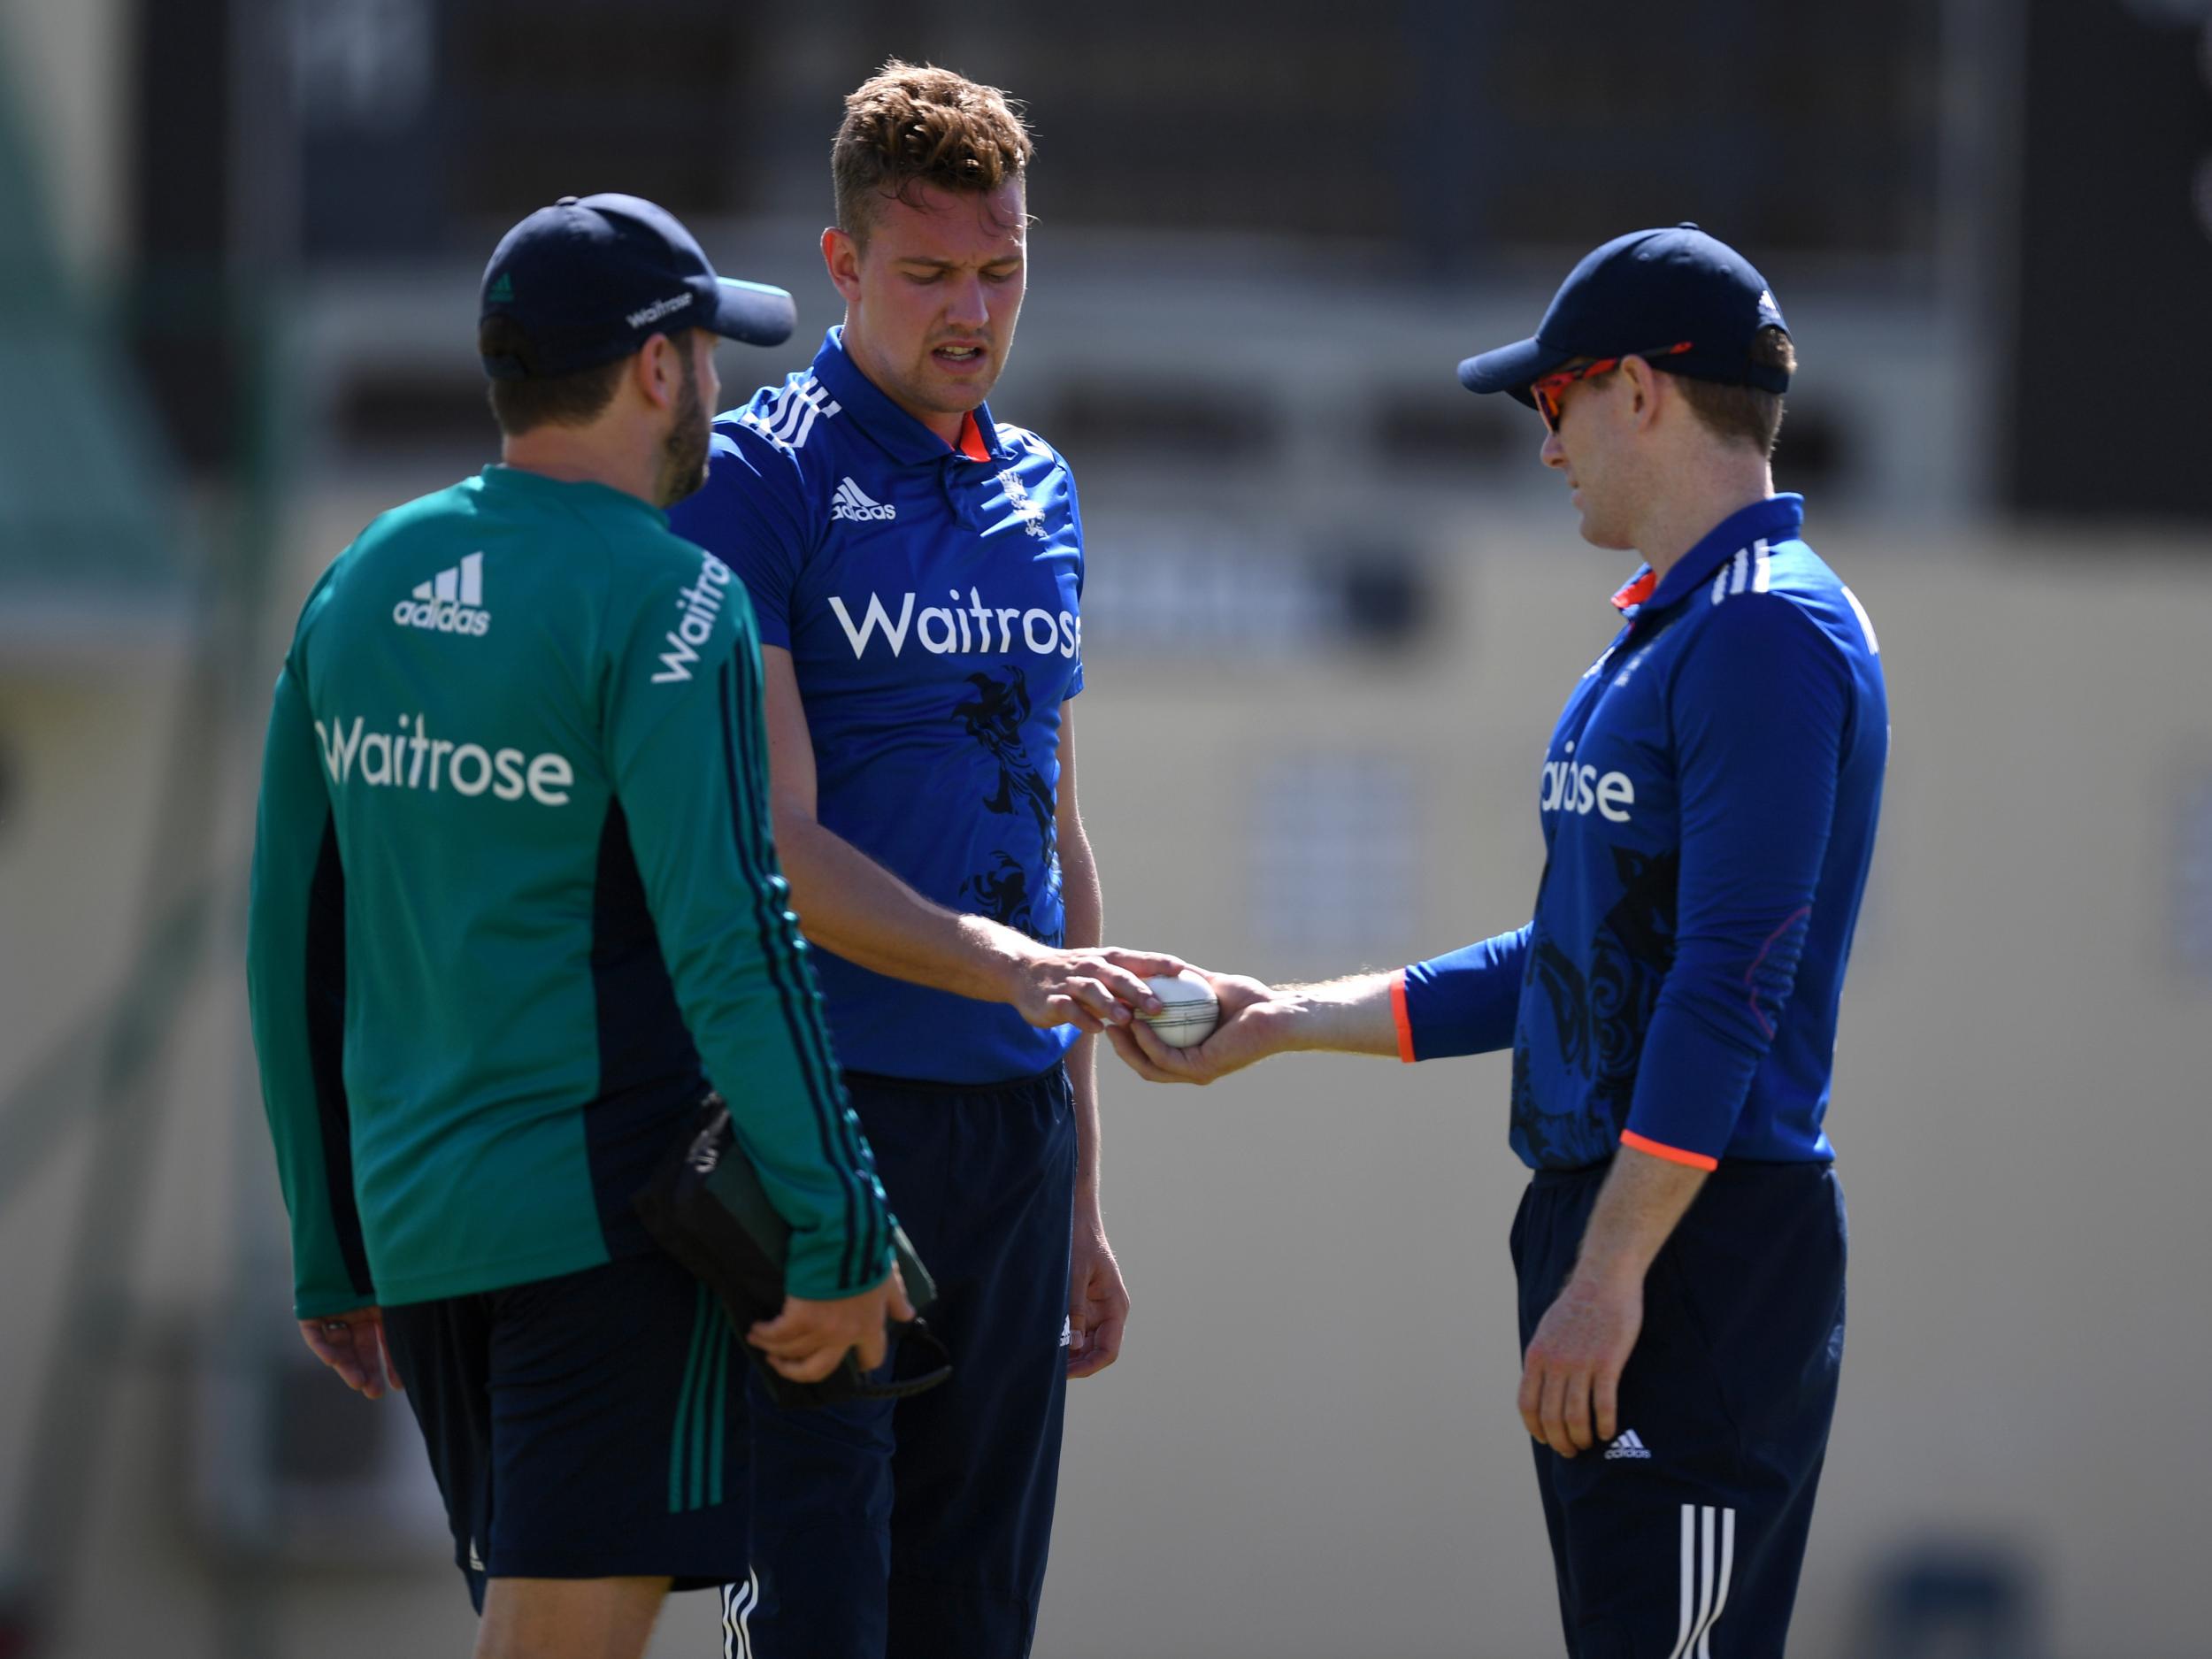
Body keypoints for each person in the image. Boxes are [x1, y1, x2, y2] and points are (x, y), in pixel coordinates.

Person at [1115, 225, 1887, 1655]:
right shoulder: (1668, 634)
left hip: (1699, 1248)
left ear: (1642, 391)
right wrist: (1285, 1018)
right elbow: (1576, 960)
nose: (1545, 445)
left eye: (1555, 400)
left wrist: (1611, 1274)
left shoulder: (1770, 634)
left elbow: (1730, 983)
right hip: (1628, 1225)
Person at [245, 192, 910, 1659]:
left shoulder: (361, 576)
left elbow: (290, 930)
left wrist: (326, 1244)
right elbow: (735, 938)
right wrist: (843, 1217)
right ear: (658, 367)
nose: (719, 394)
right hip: (605, 1230)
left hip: (423, 1238)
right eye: (707, 354)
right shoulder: (674, 600)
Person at [665, 61, 1179, 1659]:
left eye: (1004, 266)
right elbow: (775, 844)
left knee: (976, 1626)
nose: (974, 309)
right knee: (819, 1614)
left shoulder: (1043, 487)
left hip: (1013, 1143)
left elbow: (1057, 836)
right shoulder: (755, 481)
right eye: (931, 271)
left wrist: (1083, 1184)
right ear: (842, 265)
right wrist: (1004, 964)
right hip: (829, 1133)